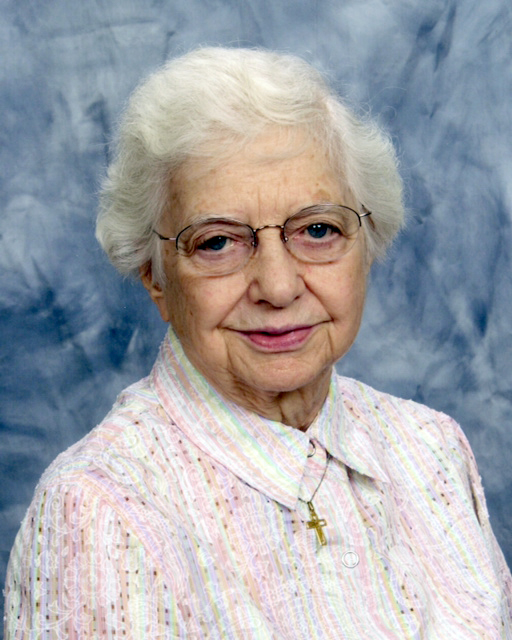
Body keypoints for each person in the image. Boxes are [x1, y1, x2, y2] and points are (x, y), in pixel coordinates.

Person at [4, 47, 511, 639]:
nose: (277, 286)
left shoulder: (431, 448)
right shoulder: (101, 512)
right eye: (217, 242)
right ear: (154, 275)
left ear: (368, 241)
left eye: (318, 229)